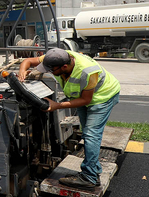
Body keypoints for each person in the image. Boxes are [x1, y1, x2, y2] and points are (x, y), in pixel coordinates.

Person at [18, 48, 120, 189]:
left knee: (91, 135)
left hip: (103, 97)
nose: (49, 72)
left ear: (64, 67)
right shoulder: (58, 56)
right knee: (87, 133)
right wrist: (22, 71)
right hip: (85, 97)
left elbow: (86, 99)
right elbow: (28, 61)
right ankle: (93, 170)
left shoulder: (87, 71)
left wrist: (57, 105)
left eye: (51, 70)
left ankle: (89, 178)